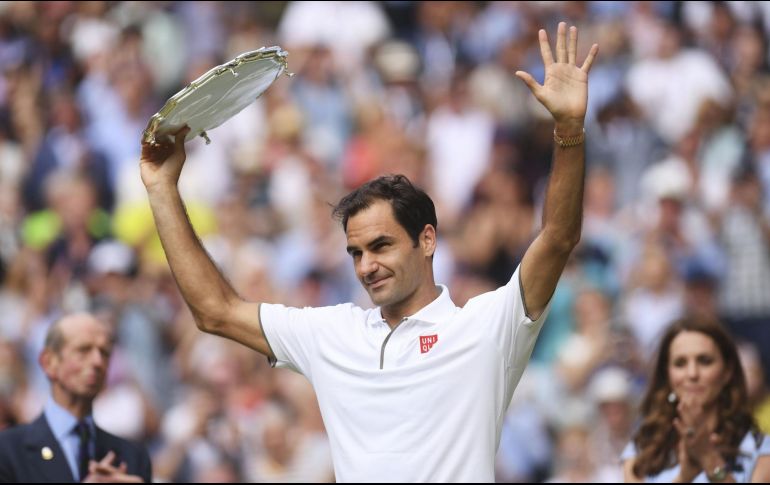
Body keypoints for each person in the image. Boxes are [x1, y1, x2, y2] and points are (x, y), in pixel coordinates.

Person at [140, 22, 598, 482]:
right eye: (355, 253)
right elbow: (214, 311)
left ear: (427, 240)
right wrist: (161, 188)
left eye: (380, 246)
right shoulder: (333, 333)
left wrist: (568, 129)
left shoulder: (487, 326)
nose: (367, 266)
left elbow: (558, 237)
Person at [0, 313, 152, 482]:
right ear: (49, 362)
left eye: (105, 352)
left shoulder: (132, 457)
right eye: (83, 350)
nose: (97, 361)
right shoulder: (8, 451)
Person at [622, 316, 770, 482]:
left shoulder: (760, 449)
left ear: (727, 371)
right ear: (667, 374)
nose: (692, 373)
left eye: (705, 361)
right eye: (680, 363)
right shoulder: (643, 448)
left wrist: (710, 460)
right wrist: (685, 477)